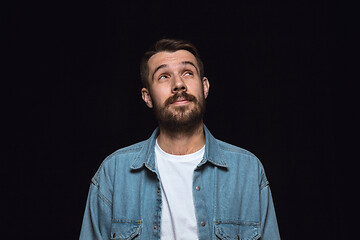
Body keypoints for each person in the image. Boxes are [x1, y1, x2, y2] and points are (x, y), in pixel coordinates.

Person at [79, 38, 280, 240]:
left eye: (187, 73)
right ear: (147, 96)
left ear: (205, 87)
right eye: (164, 76)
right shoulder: (113, 173)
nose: (178, 84)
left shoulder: (247, 170)